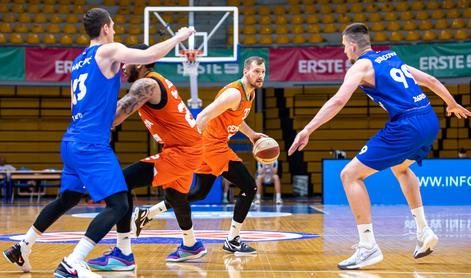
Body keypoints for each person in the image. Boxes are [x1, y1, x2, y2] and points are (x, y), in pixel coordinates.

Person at [3, 8, 194, 278]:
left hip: (71, 140)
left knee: (66, 199)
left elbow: (98, 102)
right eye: (113, 26)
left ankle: (23, 247)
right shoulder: (108, 51)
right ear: (105, 28)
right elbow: (149, 56)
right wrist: (179, 37)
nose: (114, 31)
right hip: (91, 145)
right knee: (119, 205)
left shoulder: (79, 61)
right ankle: (74, 261)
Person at [288, 23, 471, 270]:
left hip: (407, 124)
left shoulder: (361, 66)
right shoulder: (391, 57)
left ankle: (367, 246)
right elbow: (429, 79)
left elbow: (339, 99)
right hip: (429, 119)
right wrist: (451, 103)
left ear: (353, 46)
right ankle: (423, 230)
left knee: (349, 175)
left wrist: (308, 129)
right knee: (401, 169)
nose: (344, 52)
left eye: (344, 47)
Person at [86, 44, 206, 270]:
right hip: (187, 148)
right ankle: (191, 245)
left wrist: (93, 118)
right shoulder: (153, 82)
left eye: (126, 61)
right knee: (175, 196)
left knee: (121, 183)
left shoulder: (147, 84)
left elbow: (118, 113)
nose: (122, 67)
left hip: (183, 151)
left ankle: (123, 253)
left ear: (139, 62)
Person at [133, 56, 267, 255]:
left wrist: (252, 136)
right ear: (245, 71)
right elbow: (203, 115)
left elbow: (236, 120)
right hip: (213, 147)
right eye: (256, 71)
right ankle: (233, 239)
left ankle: (147, 213)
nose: (260, 76)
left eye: (263, 72)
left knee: (199, 193)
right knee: (250, 186)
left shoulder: (250, 94)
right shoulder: (233, 94)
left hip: (212, 147)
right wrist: (192, 145)